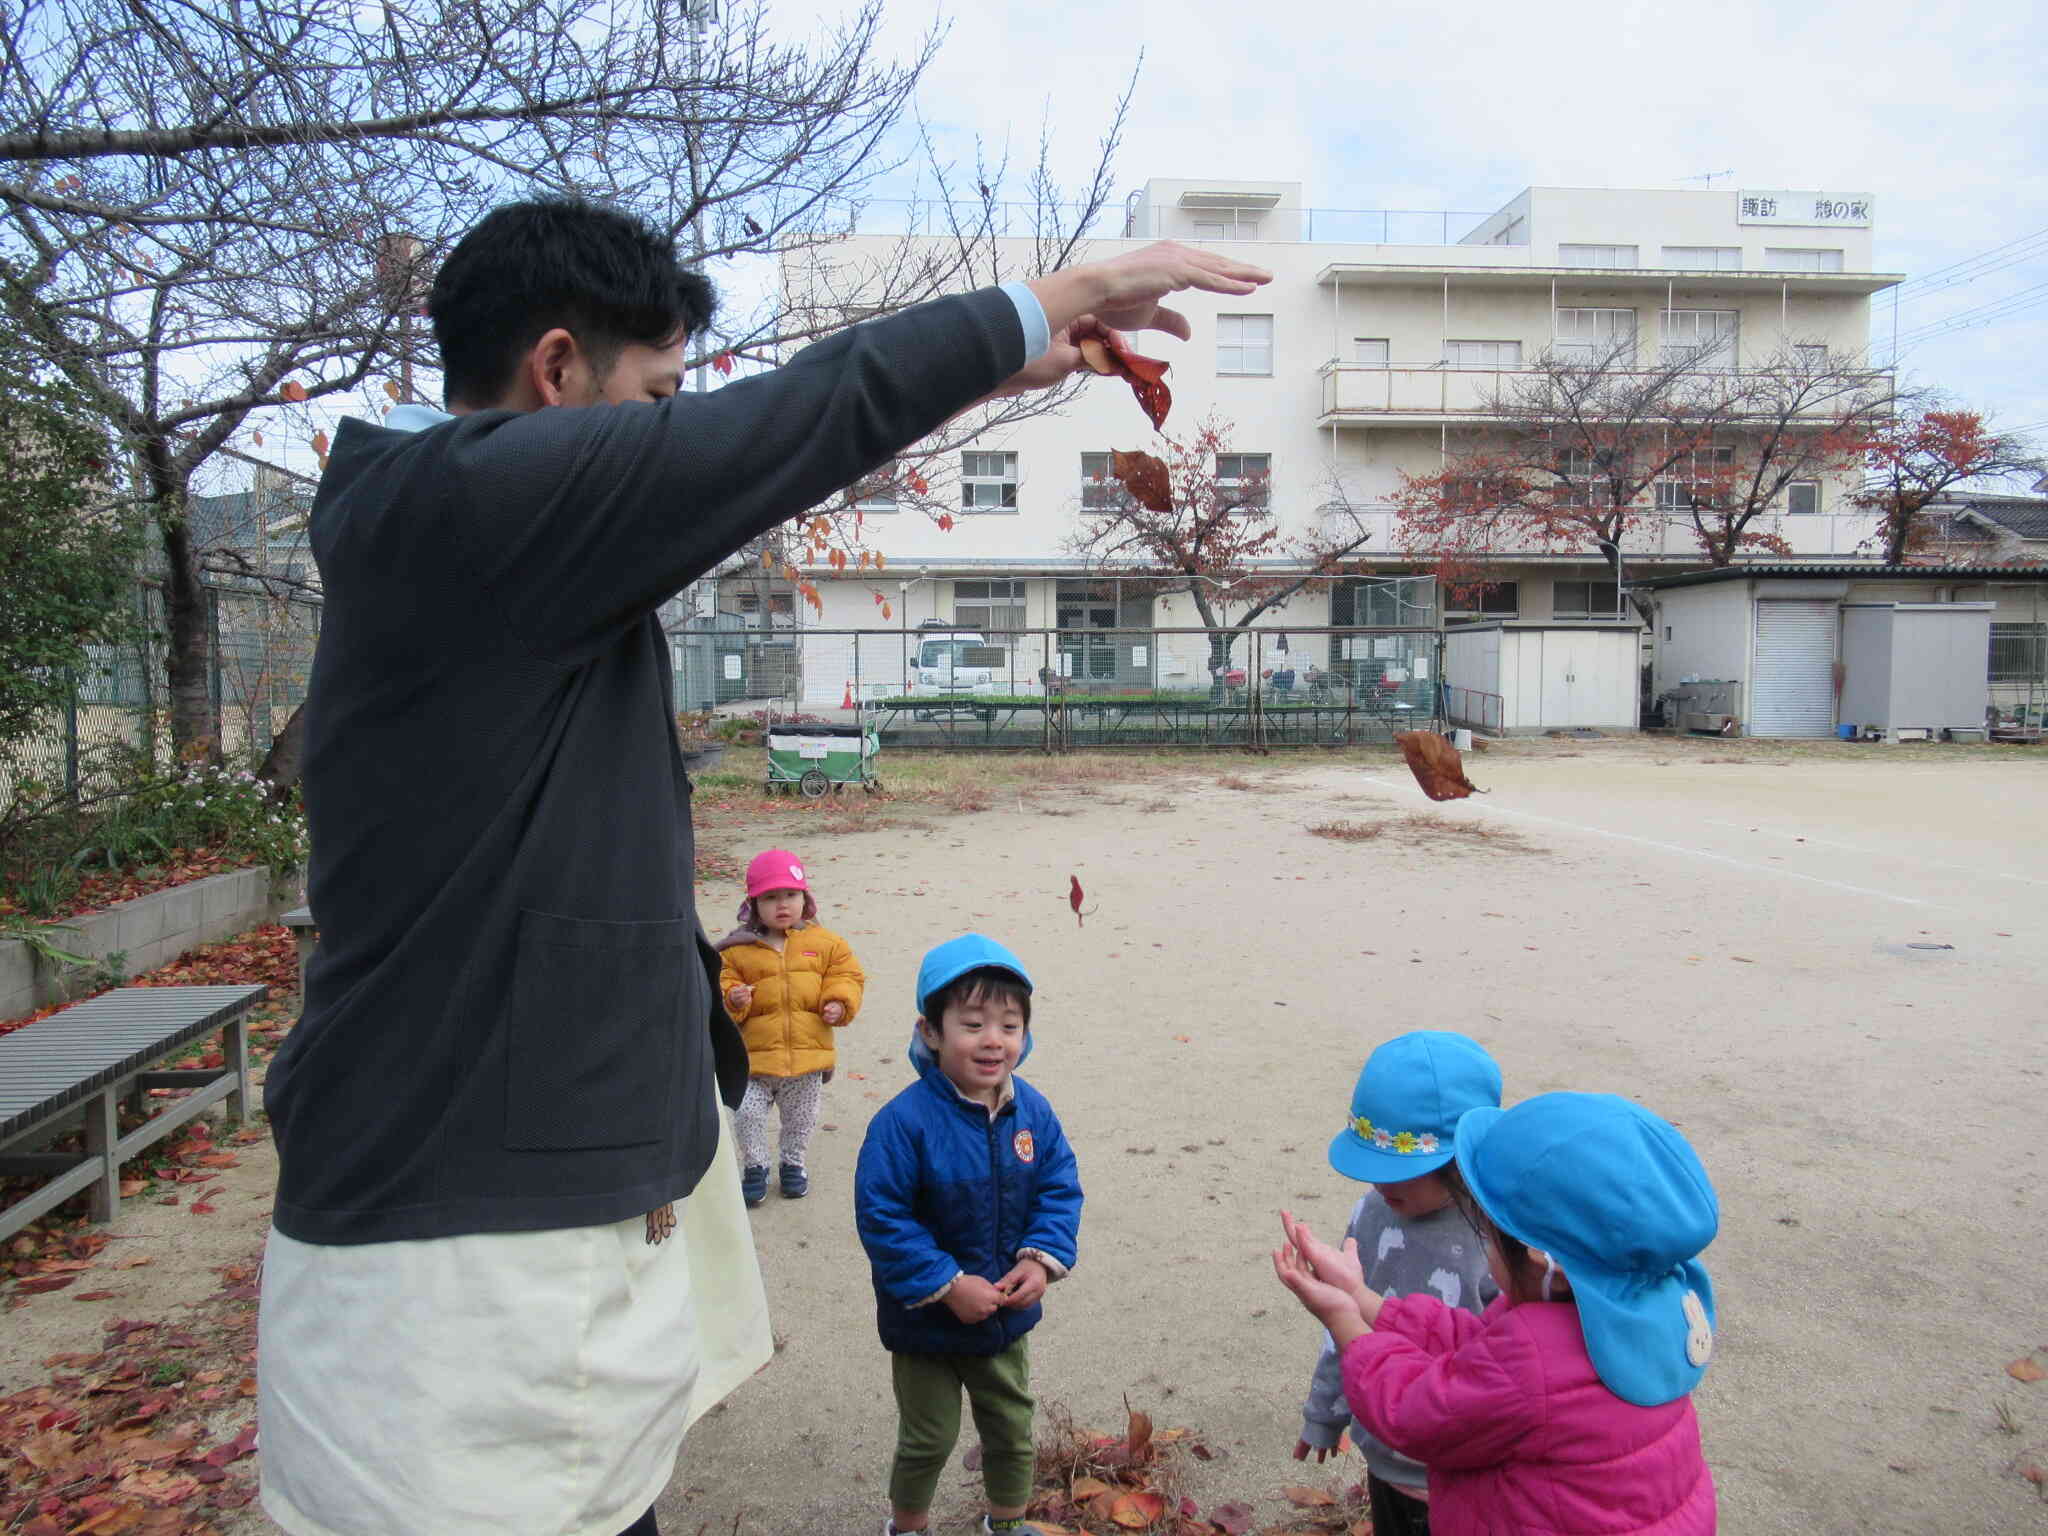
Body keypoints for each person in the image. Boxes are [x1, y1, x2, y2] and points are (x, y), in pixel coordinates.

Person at [257, 188, 1267, 1536]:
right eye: (660, 394)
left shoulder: (478, 546)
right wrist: (1054, 299)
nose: (681, 429)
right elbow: (791, 422)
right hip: (460, 1268)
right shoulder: (464, 511)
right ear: (556, 372)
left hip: (511, 1222)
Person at [1272, 1092, 1719, 1535]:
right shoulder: (1629, 1308)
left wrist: (1343, 1319)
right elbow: (1476, 1347)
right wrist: (1361, 1295)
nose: (1484, 1247)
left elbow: (1410, 1412)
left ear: (1543, 1264)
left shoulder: (1532, 1363)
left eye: (1487, 1236)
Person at [854, 936, 1082, 1536]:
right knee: (928, 1437)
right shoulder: (903, 1124)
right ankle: (907, 1527)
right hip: (925, 1322)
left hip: (1003, 1315)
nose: (993, 1040)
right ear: (931, 1031)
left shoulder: (1032, 1112)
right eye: (973, 1023)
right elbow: (883, 1217)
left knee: (1011, 1426)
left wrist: (1042, 1260)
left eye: (1009, 1025)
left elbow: (1059, 1187)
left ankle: (1005, 1524)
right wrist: (947, 1283)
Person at [1293, 1031, 1503, 1536]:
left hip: (1468, 1472)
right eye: (1373, 1169)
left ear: (1459, 1161)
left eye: (1400, 1170)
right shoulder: (1372, 1213)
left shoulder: (1503, 1241)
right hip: (1385, 1451)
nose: (1381, 1185)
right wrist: (1326, 1410)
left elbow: (1522, 1357)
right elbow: (1343, 1322)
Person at [715, 847, 865, 1206]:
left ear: (805, 899)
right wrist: (733, 999)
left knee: (800, 1119)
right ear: (754, 904)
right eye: (770, 897)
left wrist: (838, 1001)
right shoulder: (737, 950)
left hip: (806, 1060)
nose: (782, 905)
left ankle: (792, 1163)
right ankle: (755, 1166)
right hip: (754, 1060)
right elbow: (719, 984)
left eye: (791, 895)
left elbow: (847, 974)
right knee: (747, 1115)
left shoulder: (825, 943)